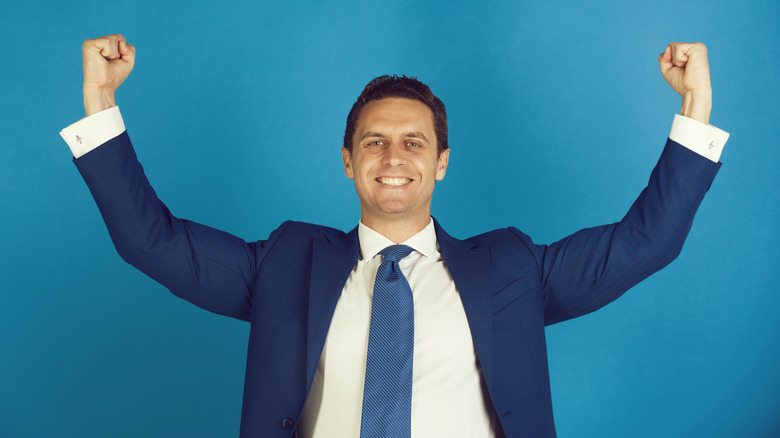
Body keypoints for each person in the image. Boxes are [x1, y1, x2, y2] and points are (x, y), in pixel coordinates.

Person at [61, 34, 729, 438]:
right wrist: (101, 103)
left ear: (440, 161)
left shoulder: (514, 268)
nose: (393, 157)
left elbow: (647, 241)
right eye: (373, 142)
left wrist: (693, 108)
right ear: (348, 160)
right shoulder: (286, 262)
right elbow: (153, 242)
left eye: (414, 142)